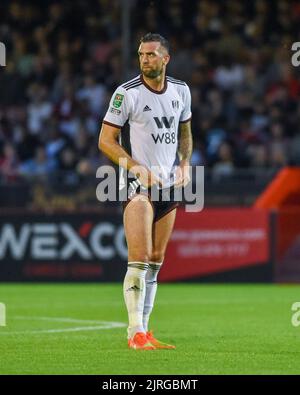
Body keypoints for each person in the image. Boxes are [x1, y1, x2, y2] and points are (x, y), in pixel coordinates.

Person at [99, 33, 193, 350]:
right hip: (138, 186)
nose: (144, 59)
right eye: (141, 54)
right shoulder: (127, 94)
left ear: (166, 58)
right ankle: (134, 332)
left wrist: (185, 162)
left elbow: (185, 131)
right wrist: (135, 167)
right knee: (138, 260)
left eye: (151, 54)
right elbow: (106, 141)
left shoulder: (181, 91)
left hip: (168, 187)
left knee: (155, 260)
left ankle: (146, 331)